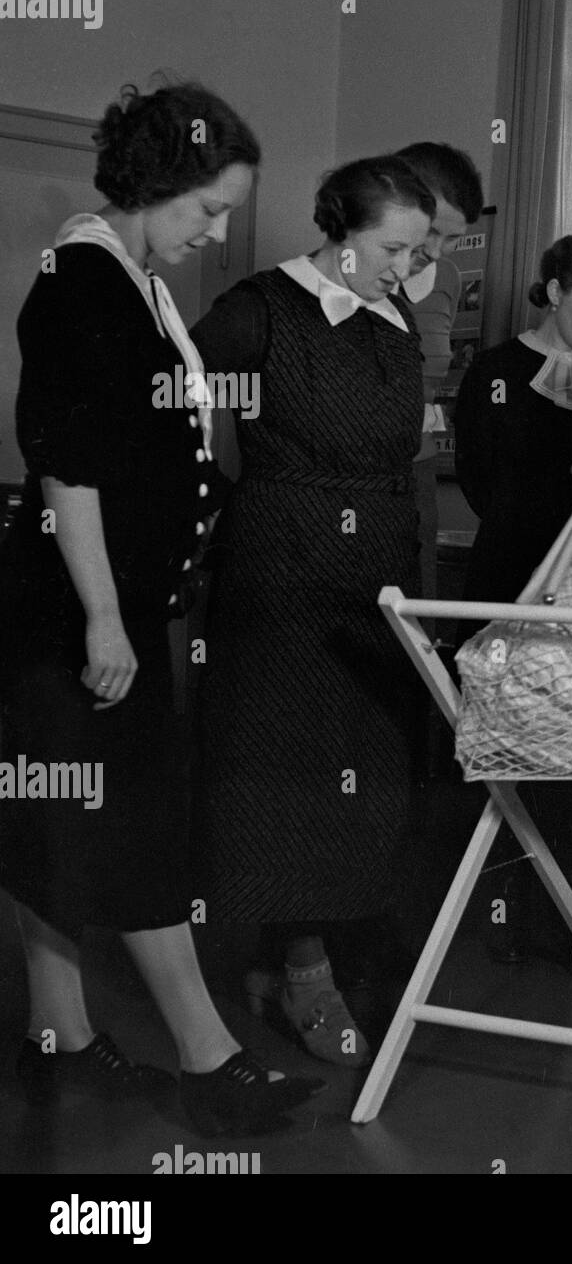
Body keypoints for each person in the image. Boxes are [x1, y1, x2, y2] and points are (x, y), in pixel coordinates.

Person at [0, 81, 323, 1133]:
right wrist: (102, 615)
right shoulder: (80, 282)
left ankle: (57, 1037)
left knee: (57, 822)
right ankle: (207, 1056)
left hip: (114, 607)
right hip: (75, 612)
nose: (218, 231)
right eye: (207, 209)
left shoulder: (129, 279)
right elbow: (69, 465)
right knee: (131, 830)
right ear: (155, 184)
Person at [190, 155, 437, 1066]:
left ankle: (321, 944)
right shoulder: (261, 307)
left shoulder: (394, 314)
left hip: (374, 574)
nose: (406, 268)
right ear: (339, 230)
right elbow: (166, 390)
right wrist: (215, 496)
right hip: (282, 570)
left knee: (365, 770)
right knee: (285, 772)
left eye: (417, 252)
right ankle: (301, 968)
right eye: (391, 248)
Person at [453, 231, 572, 960]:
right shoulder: (495, 371)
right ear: (557, 288)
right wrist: (525, 525)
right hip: (510, 569)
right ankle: (508, 901)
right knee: (512, 730)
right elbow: (474, 476)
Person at [393, 141, 484, 601]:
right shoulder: (360, 275)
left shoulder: (448, 277)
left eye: (451, 238)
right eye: (431, 232)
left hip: (419, 464)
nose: (438, 249)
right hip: (360, 471)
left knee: (417, 603)